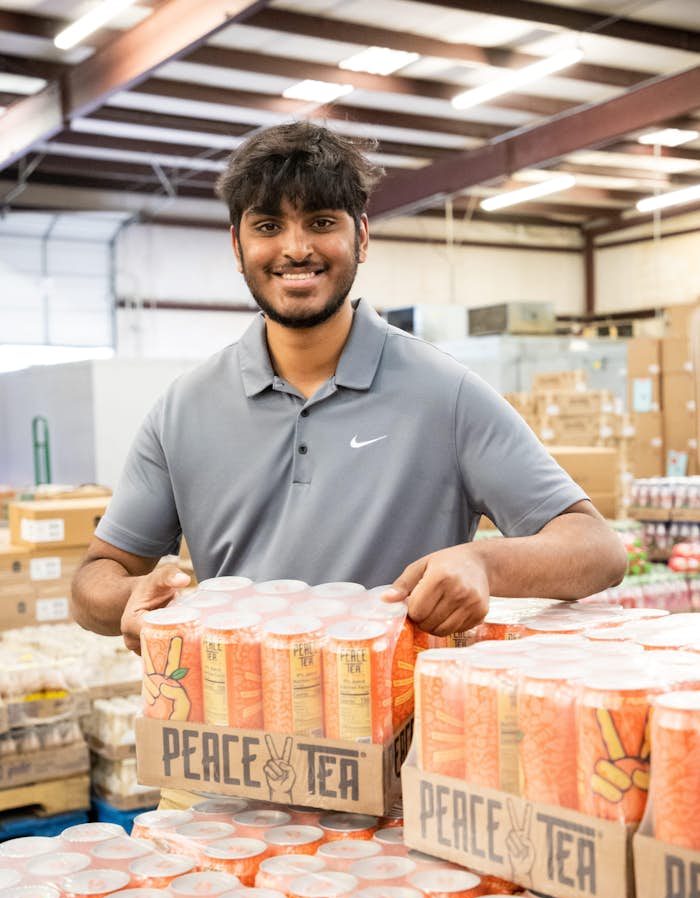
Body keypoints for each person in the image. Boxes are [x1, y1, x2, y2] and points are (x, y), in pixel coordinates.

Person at [71, 121, 626, 653]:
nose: (296, 249)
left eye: (320, 222)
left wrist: (484, 563)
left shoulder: (446, 394)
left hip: (396, 713)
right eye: (268, 226)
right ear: (237, 247)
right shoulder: (183, 409)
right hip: (237, 707)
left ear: (360, 237)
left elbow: (598, 548)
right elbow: (95, 578)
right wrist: (130, 597)